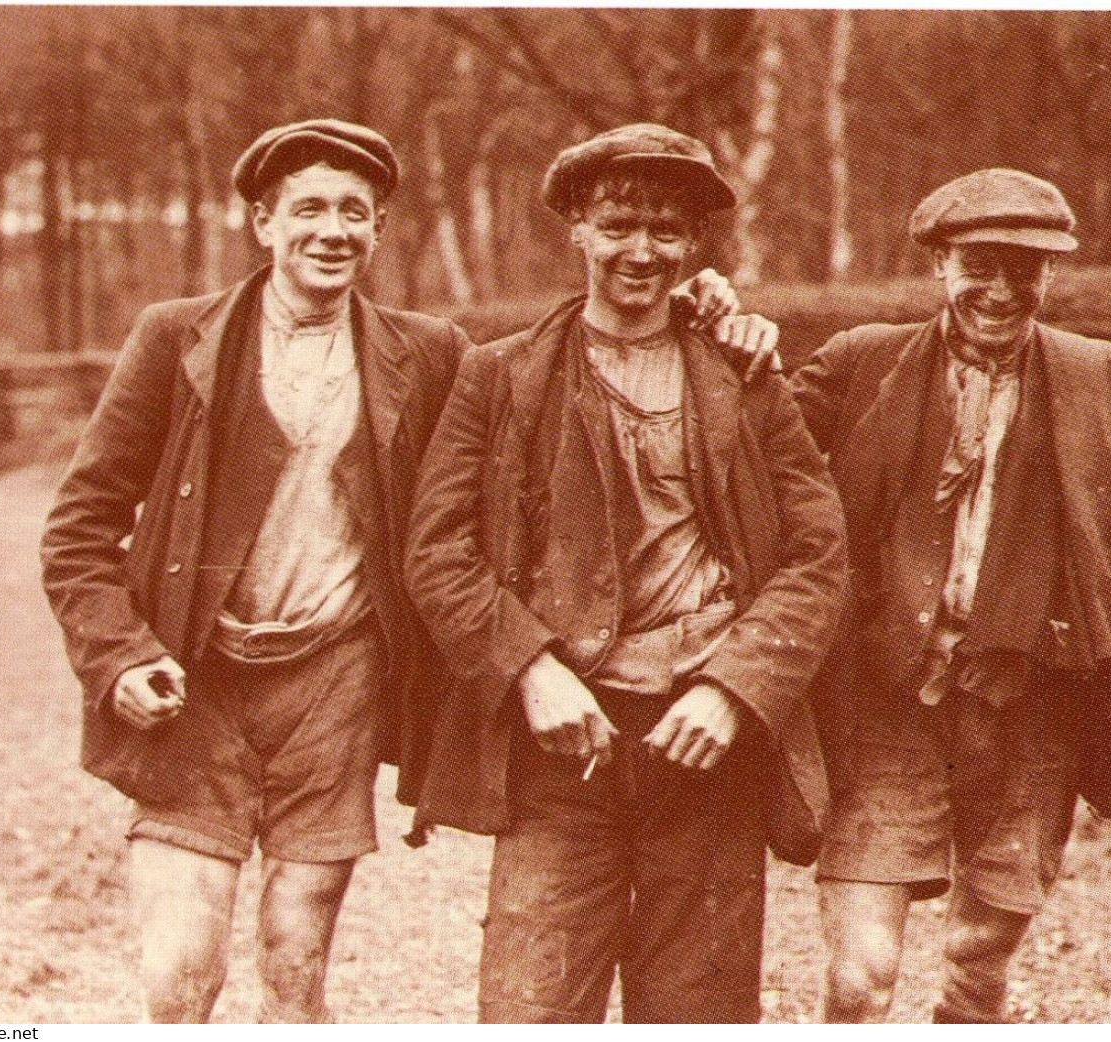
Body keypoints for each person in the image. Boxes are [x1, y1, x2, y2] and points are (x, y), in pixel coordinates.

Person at [39, 118, 750, 1023]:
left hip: (333, 682)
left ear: (377, 230)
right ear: (262, 223)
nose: (330, 231)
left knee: (297, 964)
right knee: (179, 975)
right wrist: (120, 658)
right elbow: (79, 524)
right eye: (307, 210)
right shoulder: (175, 339)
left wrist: (701, 305)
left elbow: (579, 344)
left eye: (354, 212)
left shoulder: (427, 354)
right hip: (196, 680)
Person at [403, 123, 848, 1023]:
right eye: (616, 224)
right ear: (576, 226)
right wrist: (530, 673)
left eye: (666, 231)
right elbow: (436, 550)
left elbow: (818, 553)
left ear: (694, 245)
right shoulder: (500, 377)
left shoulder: (740, 371)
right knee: (529, 1010)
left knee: (697, 1013)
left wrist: (732, 689)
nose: (640, 251)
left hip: (705, 748)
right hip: (560, 749)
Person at [788, 168, 1111, 1022]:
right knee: (861, 975)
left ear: (1051, 274)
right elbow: (758, 466)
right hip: (882, 705)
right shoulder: (861, 362)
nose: (1001, 289)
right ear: (938, 262)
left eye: (1024, 267)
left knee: (977, 958)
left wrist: (1085, 635)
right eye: (979, 263)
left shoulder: (1101, 374)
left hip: (1031, 716)